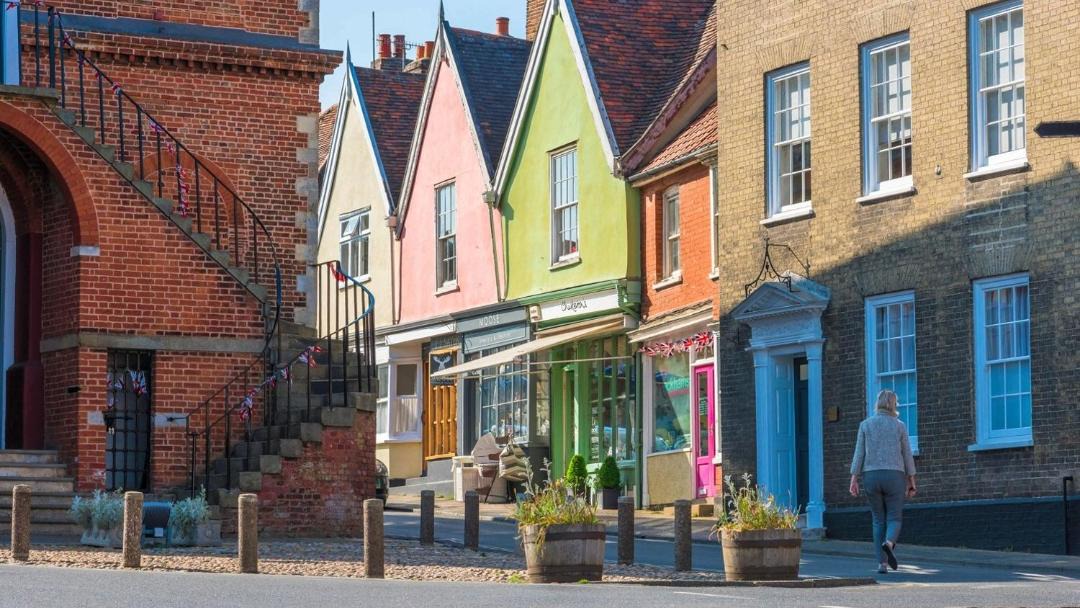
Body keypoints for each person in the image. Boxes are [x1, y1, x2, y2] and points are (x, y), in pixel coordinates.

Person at [849, 389, 917, 574]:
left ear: (877, 403)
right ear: (894, 404)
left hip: (871, 476)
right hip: (894, 475)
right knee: (894, 517)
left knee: (878, 520)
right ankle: (889, 543)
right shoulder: (899, 426)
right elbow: (907, 454)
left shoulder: (865, 425)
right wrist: (911, 479)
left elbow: (859, 454)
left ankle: (882, 564)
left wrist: (854, 478)